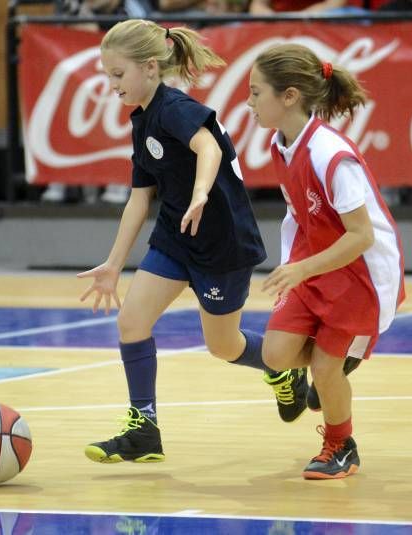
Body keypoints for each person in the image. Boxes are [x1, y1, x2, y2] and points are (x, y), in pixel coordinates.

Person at [78, 19, 308, 464]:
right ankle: (144, 430)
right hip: (176, 235)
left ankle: (283, 370)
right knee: (131, 322)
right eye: (107, 75)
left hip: (222, 242)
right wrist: (112, 264)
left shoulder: (174, 108)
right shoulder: (143, 121)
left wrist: (202, 192)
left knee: (223, 346)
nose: (112, 85)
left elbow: (209, 148)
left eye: (118, 74)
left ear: (149, 68)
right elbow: (138, 200)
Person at [247, 44, 405, 479]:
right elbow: (301, 214)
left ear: (290, 96)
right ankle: (331, 364)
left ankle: (341, 445)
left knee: (324, 368)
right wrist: (293, 263)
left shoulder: (330, 155)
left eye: (256, 93)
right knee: (276, 356)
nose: (249, 103)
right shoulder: (282, 145)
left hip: (361, 275)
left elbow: (361, 236)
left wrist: (300, 269)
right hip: (316, 264)